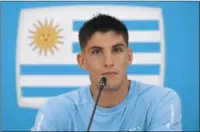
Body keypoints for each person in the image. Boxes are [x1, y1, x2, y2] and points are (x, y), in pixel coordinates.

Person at [31, 14, 182, 131]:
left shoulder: (160, 101)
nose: (109, 61)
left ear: (129, 57)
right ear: (82, 61)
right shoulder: (55, 110)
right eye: (97, 52)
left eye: (117, 50)